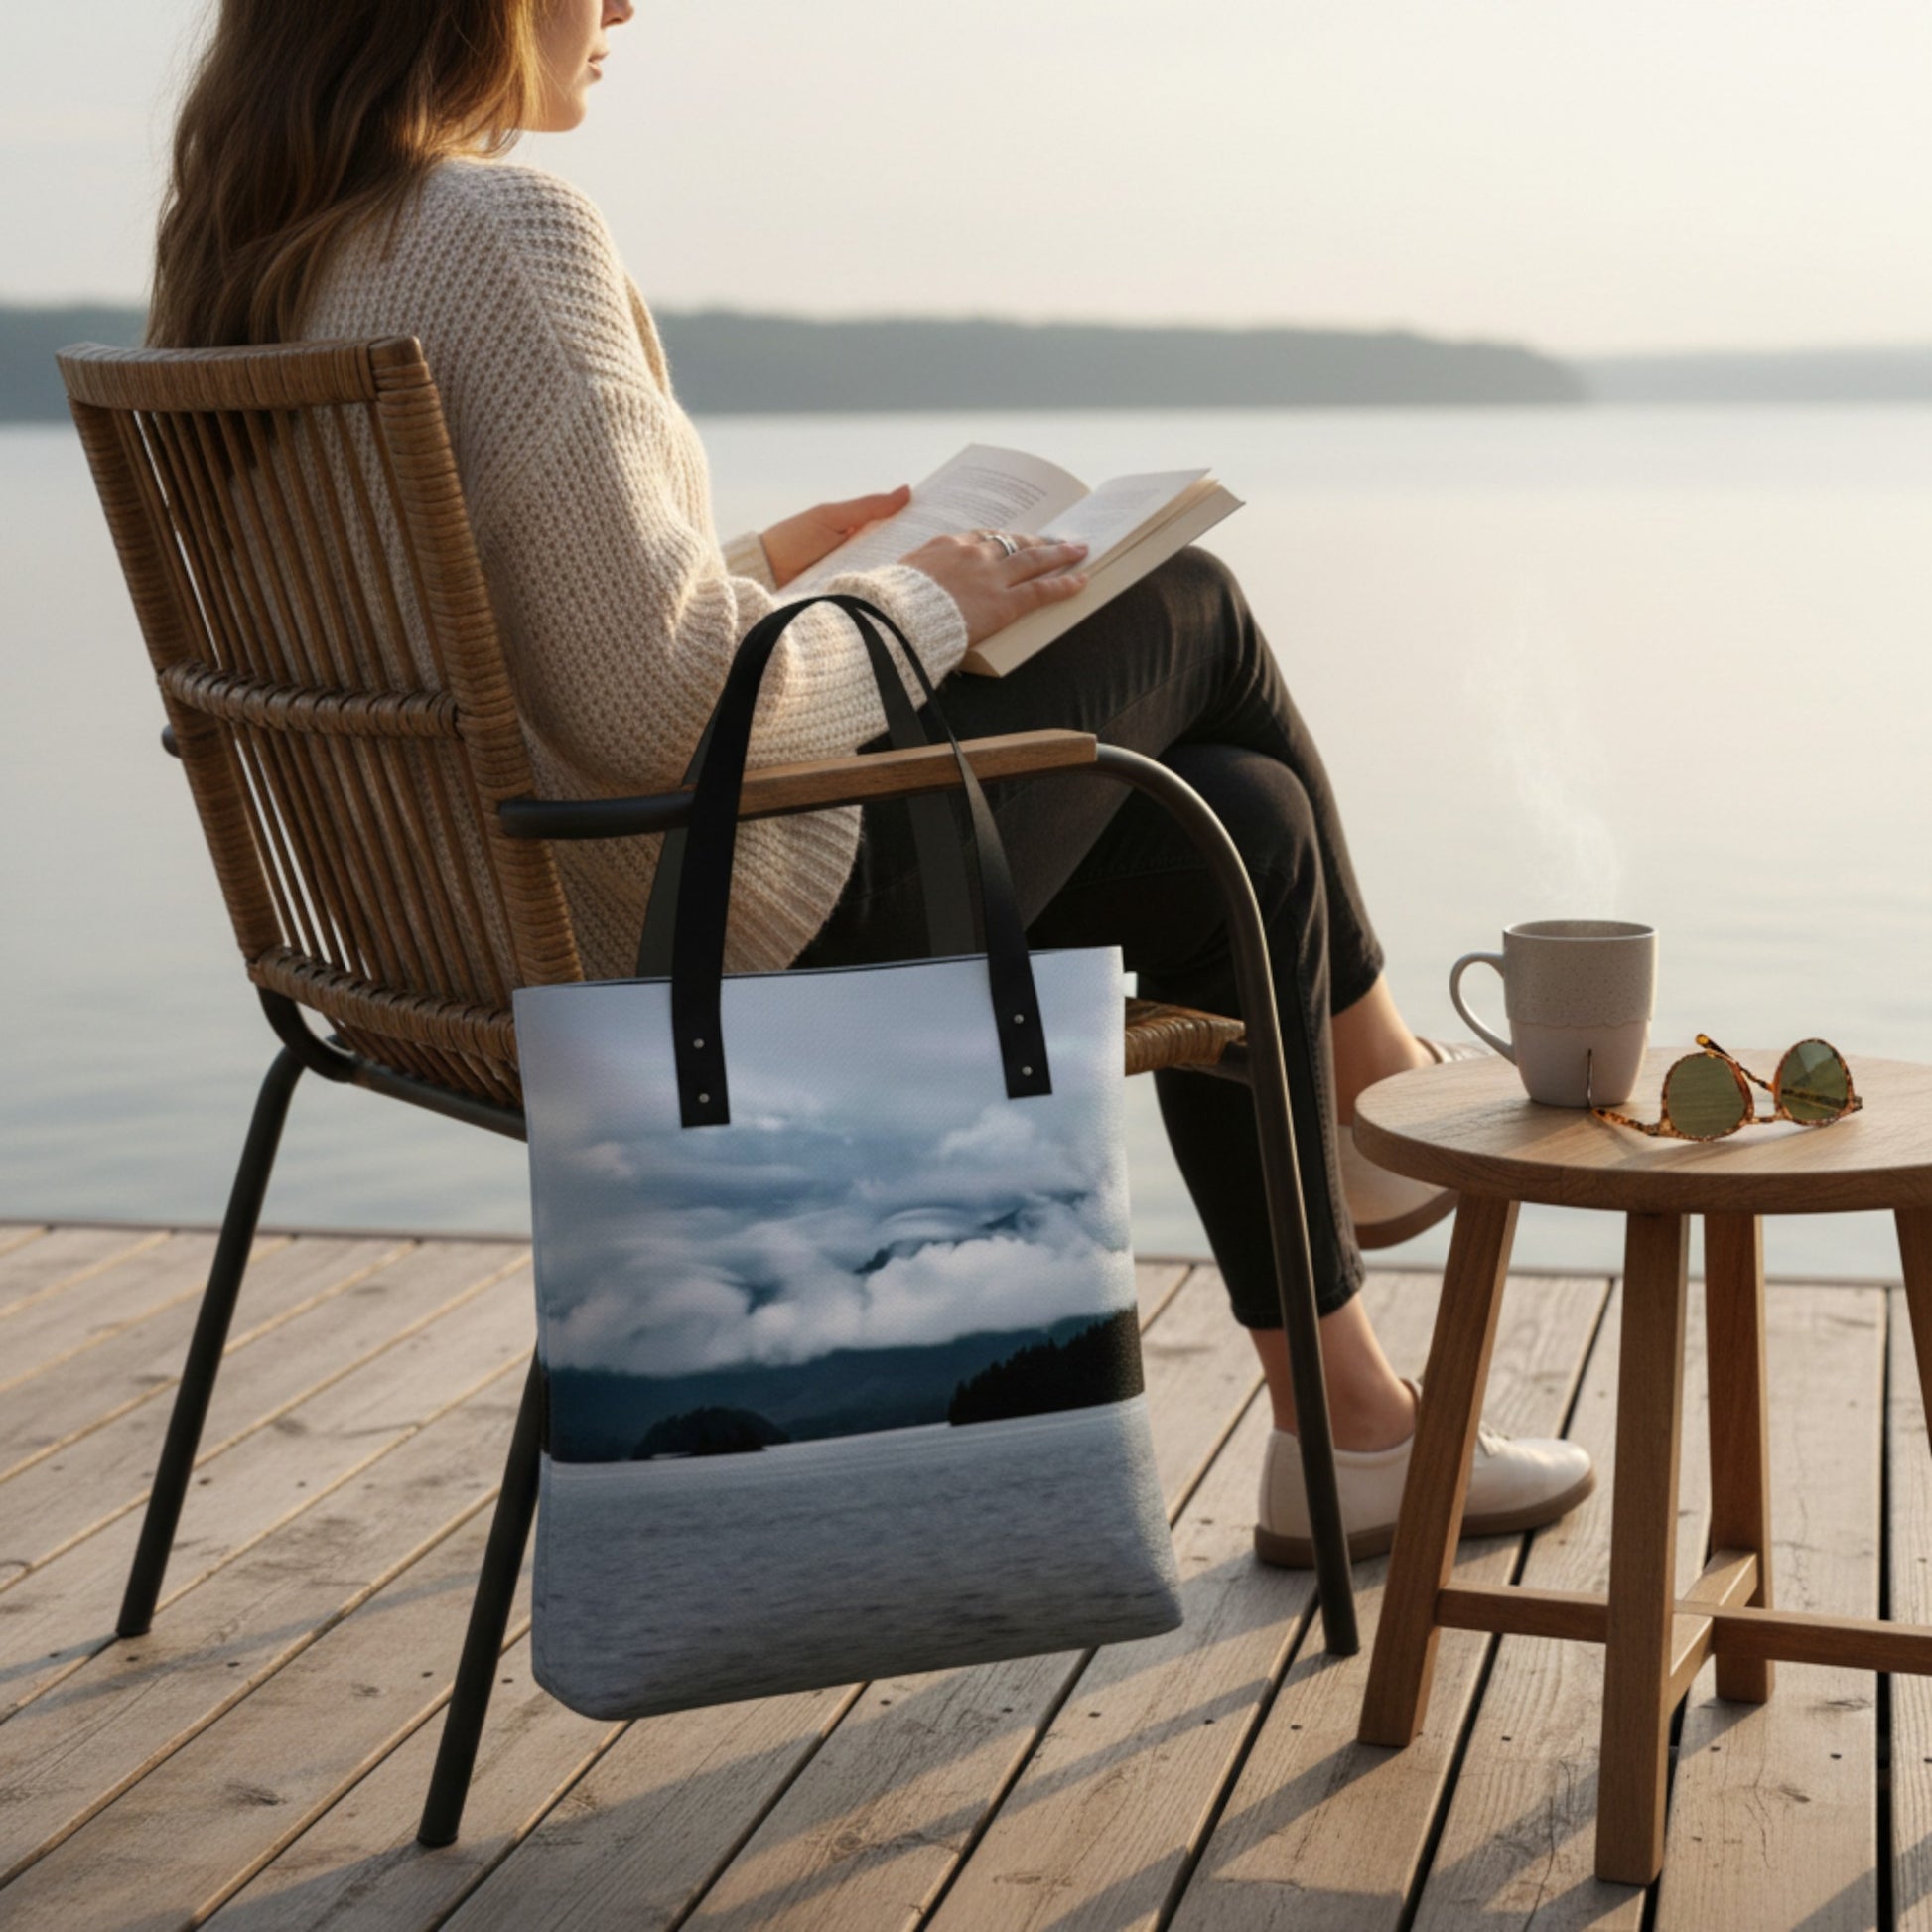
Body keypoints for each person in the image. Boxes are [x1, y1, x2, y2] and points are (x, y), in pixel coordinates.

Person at [147, 0, 1594, 1563]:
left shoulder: (246, 272)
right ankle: (1371, 1102)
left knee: (1240, 826)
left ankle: (1352, 1428)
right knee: (1191, 606)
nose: (627, 5)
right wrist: (927, 601)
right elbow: (662, 713)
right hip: (701, 954)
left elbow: (498, 655)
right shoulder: (502, 232)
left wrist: (772, 563)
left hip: (437, 955)